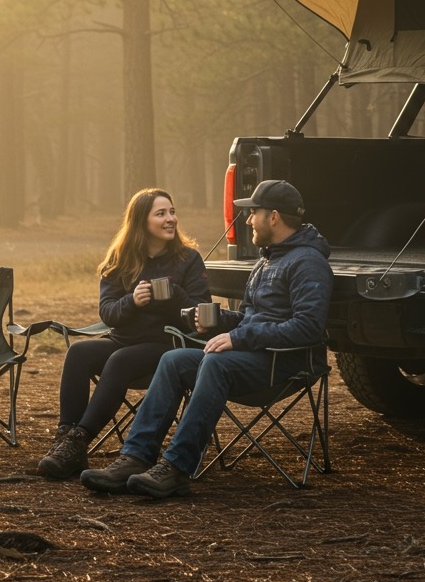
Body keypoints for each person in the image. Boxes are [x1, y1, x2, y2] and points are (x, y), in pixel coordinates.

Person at [79, 178, 332, 497]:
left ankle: (177, 467)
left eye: (253, 212)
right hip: (255, 355)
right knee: (173, 360)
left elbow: (308, 328)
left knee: (215, 363)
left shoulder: (308, 263)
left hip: (285, 362)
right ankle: (135, 456)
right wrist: (215, 319)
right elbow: (248, 317)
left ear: (274, 217)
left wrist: (238, 339)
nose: (248, 219)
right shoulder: (268, 259)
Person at [37, 187, 210, 479]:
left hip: (166, 346)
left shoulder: (188, 259)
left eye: (172, 212)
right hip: (124, 338)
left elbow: (199, 315)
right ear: (142, 221)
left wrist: (175, 295)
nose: (171, 219)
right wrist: (132, 301)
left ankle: (80, 439)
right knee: (79, 352)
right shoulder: (121, 258)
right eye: (161, 214)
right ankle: (65, 443)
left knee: (120, 359)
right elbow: (108, 312)